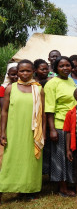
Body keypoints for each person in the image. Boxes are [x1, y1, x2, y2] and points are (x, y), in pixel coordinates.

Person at [0, 60, 44, 201]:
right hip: (14, 129)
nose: (25, 74)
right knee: (12, 158)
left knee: (31, 159)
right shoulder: (10, 88)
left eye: (28, 71)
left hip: (33, 131)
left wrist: (43, 132)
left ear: (33, 72)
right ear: (17, 72)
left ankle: (29, 190)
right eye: (22, 71)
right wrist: (2, 131)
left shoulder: (38, 89)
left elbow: (42, 114)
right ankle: (7, 186)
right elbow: (4, 111)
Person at [45, 56, 77, 196]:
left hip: (73, 124)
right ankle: (62, 187)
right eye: (61, 66)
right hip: (60, 124)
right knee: (60, 156)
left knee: (70, 155)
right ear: (55, 68)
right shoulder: (52, 84)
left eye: (68, 65)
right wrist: (52, 129)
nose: (65, 68)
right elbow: (49, 108)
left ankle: (70, 182)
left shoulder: (71, 80)